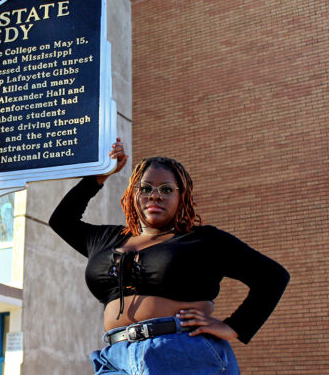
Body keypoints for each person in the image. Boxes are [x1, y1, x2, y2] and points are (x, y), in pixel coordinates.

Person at [49, 139, 289, 374]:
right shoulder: (105, 239)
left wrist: (234, 326)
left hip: (181, 351)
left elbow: (272, 277)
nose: (155, 195)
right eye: (145, 188)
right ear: (133, 195)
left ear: (181, 197)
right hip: (115, 357)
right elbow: (61, 221)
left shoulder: (204, 240)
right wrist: (100, 176)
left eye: (166, 189)